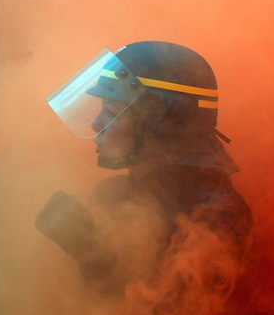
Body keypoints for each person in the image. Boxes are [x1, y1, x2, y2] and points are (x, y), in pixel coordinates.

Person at [36, 41, 252, 294]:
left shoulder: (217, 216)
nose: (96, 124)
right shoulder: (111, 195)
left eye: (112, 111)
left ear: (160, 124)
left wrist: (90, 253)